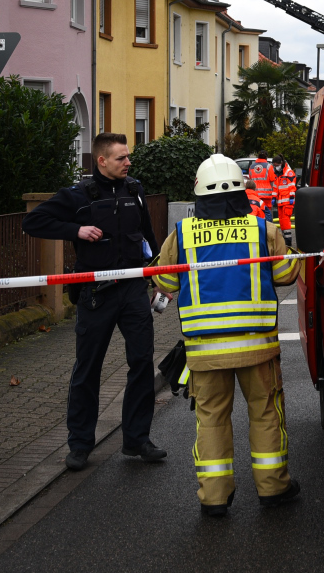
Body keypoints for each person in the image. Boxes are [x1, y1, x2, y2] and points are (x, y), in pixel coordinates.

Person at [152, 154, 301, 516]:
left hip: (205, 352)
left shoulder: (182, 234)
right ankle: (272, 488)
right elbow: (285, 275)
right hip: (257, 348)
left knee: (212, 420)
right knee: (265, 414)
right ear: (242, 192)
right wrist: (294, 252)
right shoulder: (262, 229)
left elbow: (165, 280)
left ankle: (215, 499)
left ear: (200, 195)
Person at [23, 133, 165, 472]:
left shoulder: (135, 190)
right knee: (88, 369)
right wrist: (76, 230)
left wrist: (160, 276)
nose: (128, 162)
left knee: (142, 363)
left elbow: (149, 236)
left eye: (128, 157)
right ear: (101, 161)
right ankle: (81, 444)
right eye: (121, 158)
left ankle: (137, 439)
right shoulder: (78, 196)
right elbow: (33, 222)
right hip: (96, 293)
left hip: (133, 288)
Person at [245, 151, 276, 219]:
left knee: (255, 212)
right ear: (266, 157)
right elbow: (272, 181)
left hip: (255, 194)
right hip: (266, 195)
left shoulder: (252, 166)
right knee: (267, 213)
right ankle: (268, 227)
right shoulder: (269, 166)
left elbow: (251, 179)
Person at [272, 156, 296, 231]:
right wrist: (273, 197)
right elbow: (275, 187)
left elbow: (292, 186)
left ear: (281, 163)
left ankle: (288, 239)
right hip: (280, 202)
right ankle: (285, 238)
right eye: (274, 166)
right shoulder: (278, 174)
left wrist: (292, 197)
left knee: (285, 221)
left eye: (276, 165)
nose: (276, 167)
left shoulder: (289, 173)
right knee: (282, 221)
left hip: (287, 201)